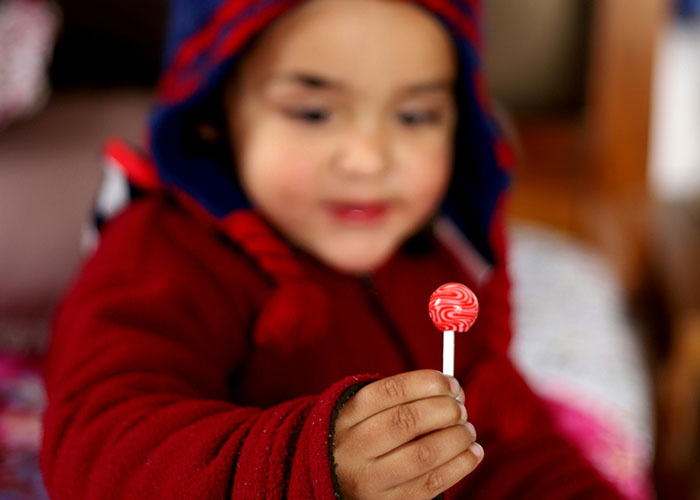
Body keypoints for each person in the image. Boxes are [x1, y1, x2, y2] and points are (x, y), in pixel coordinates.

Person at [40, 0, 624, 498]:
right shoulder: (159, 253)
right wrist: (311, 463)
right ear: (216, 116)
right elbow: (100, 448)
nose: (368, 160)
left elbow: (505, 442)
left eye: (416, 115)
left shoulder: (437, 262)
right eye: (314, 112)